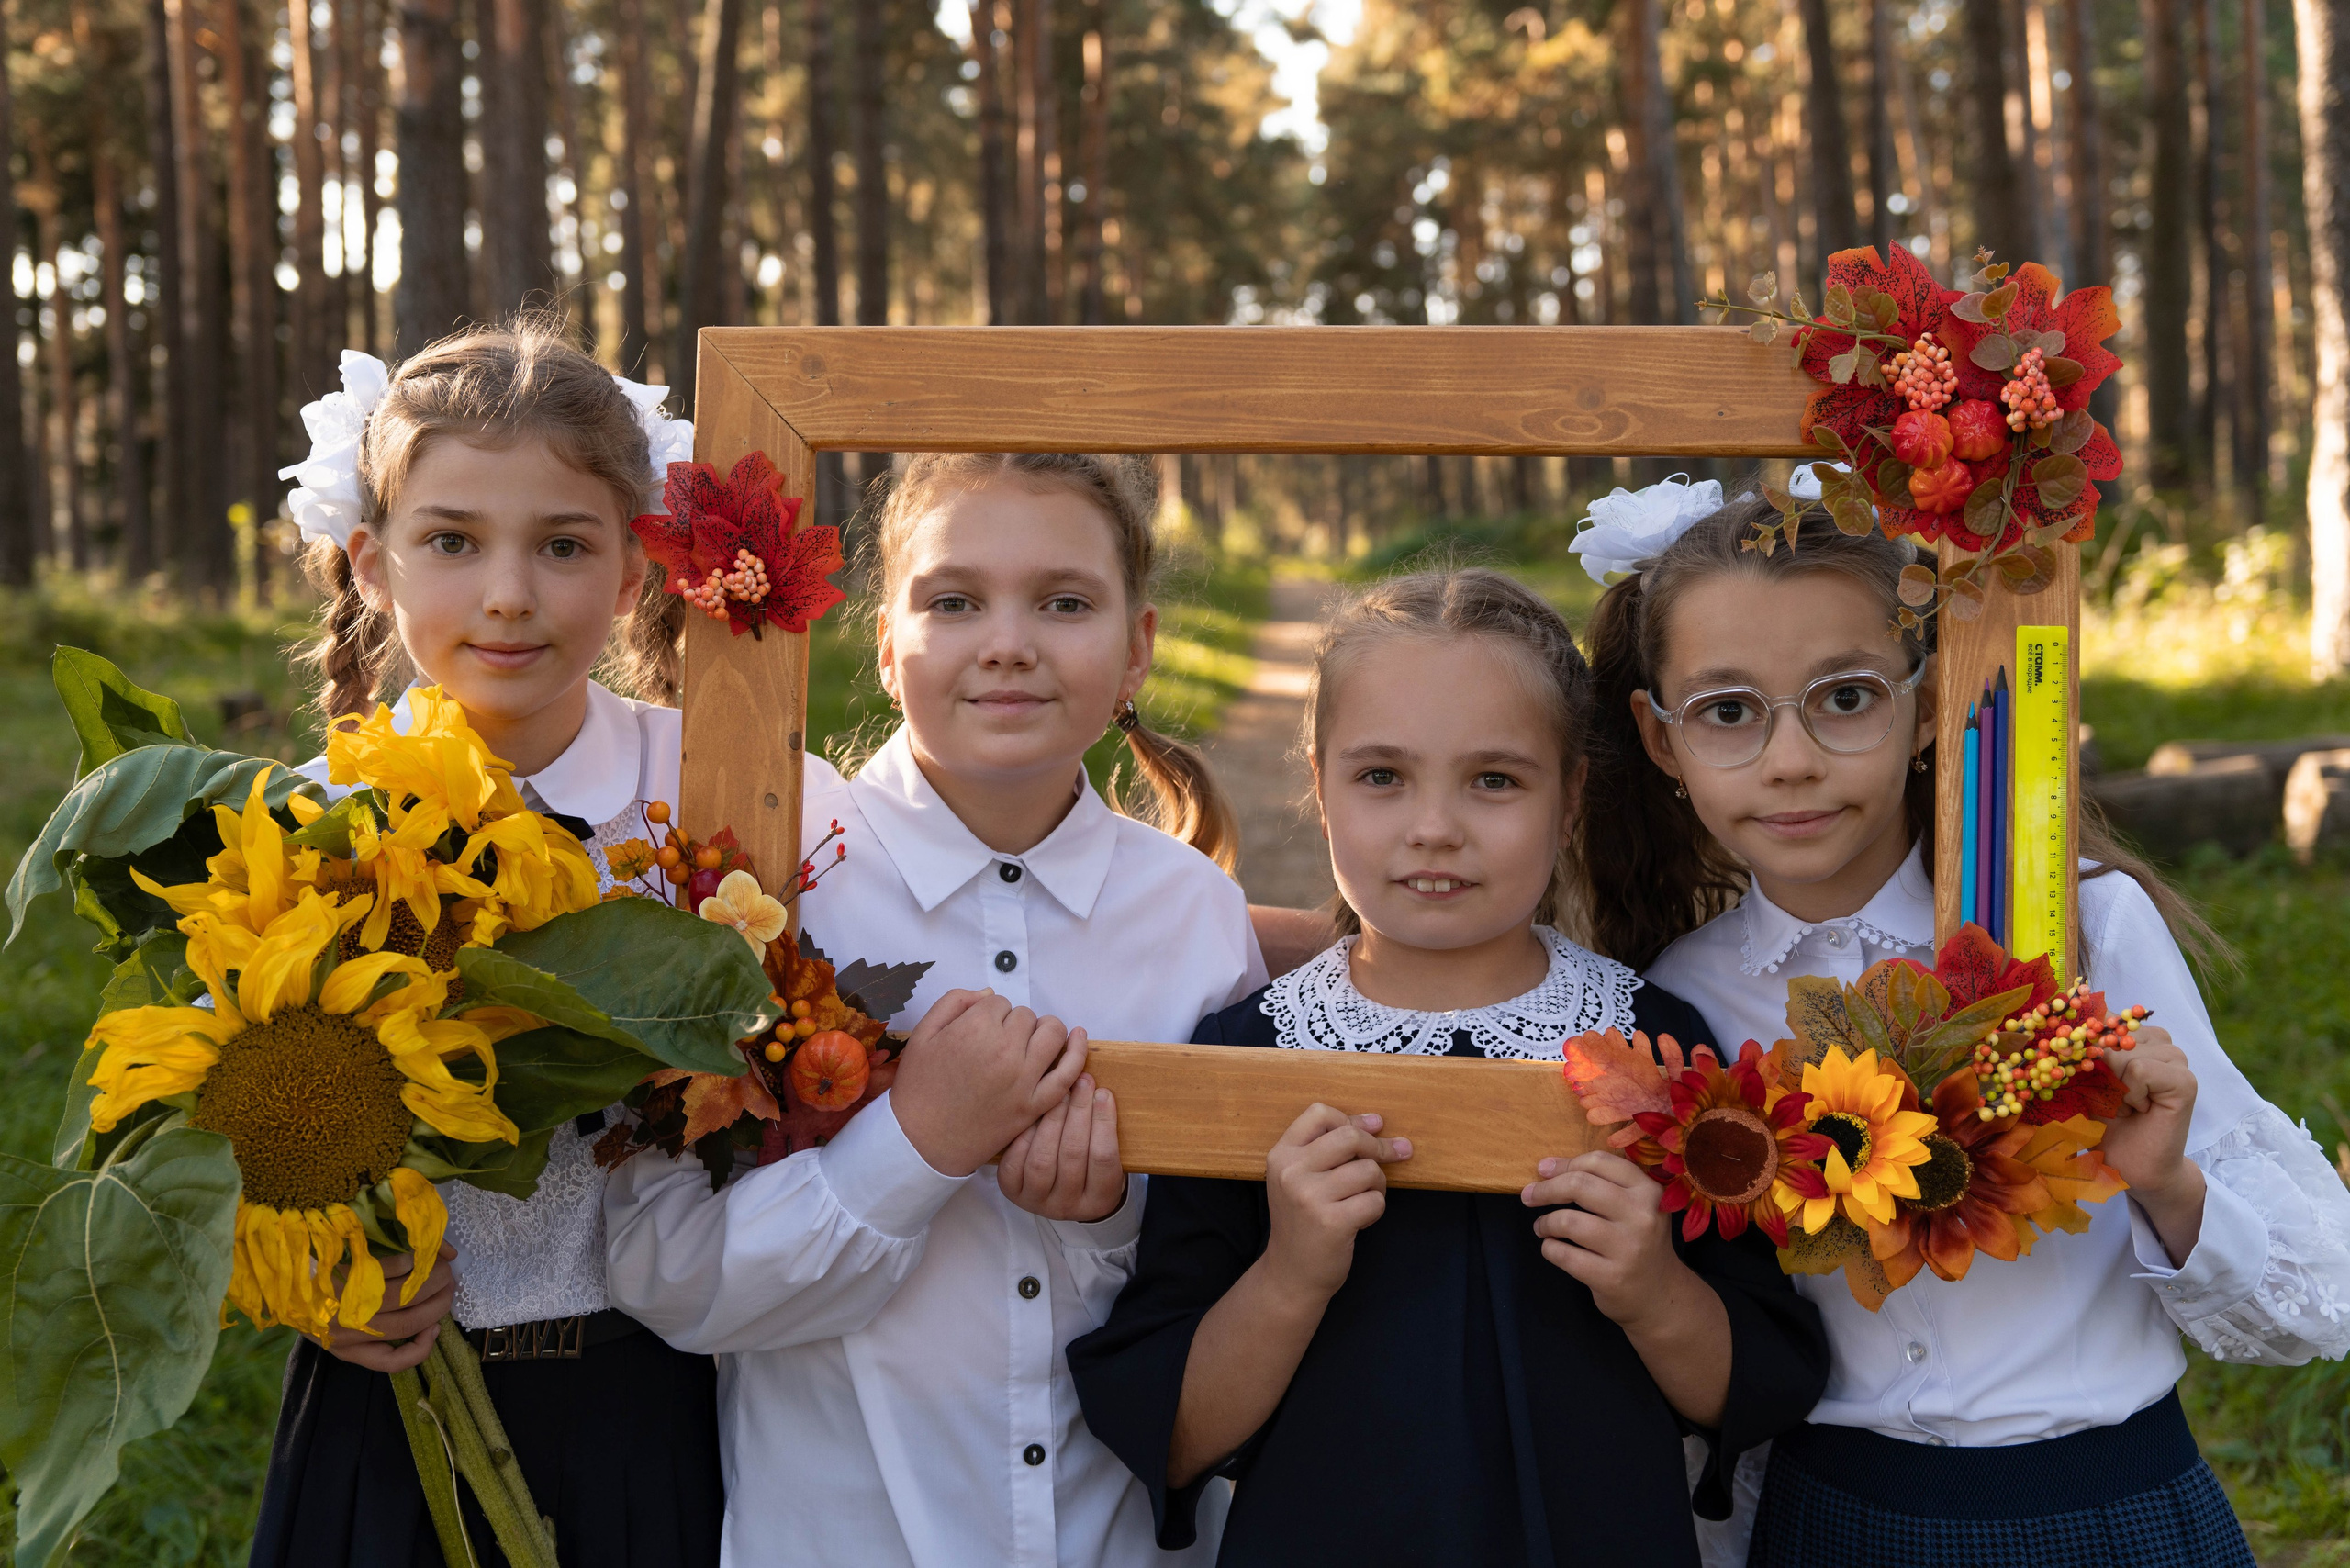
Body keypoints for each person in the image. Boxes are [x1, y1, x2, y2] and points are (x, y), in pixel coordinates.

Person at [1578, 484, 2350, 1568]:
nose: (1790, 760)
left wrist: (2168, 1183)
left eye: (1844, 697)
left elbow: (2312, 1299)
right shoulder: (1678, 999)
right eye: (1728, 711)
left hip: (2106, 1516)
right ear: (1660, 740)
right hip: (1831, 1523)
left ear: (1928, 700)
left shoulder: (2081, 928)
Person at [1064, 568, 1830, 1568]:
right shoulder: (1247, 1057)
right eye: (1382, 776)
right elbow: (1175, 1433)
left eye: (1494, 779)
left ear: (1570, 799)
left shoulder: (1657, 1046)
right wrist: (1291, 1273)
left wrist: (1651, 1288)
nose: (1435, 826)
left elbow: (1756, 1385)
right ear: (1321, 784)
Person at [602, 452, 1268, 1568]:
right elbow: (667, 1274)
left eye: (1064, 602)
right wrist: (912, 1149)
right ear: (881, 642)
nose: (1007, 642)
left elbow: (1236, 1276)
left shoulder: (1195, 919)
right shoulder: (770, 889)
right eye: (953, 601)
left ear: (1137, 647)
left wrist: (1103, 1225)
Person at [248, 317, 719, 1568]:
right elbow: (234, 1121)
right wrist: (312, 1269)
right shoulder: (299, 822)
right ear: (370, 563)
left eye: (562, 546)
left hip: (655, 1399)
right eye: (452, 541)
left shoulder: (704, 801)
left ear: (630, 576)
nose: (508, 593)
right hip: (390, 1399)